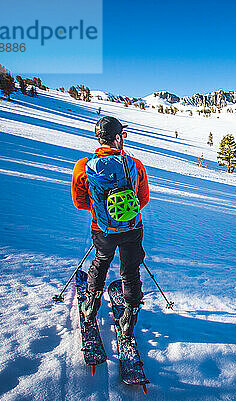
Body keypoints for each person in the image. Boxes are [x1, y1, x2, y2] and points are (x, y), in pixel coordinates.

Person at [71, 116, 149, 338]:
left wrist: (102, 212)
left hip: (103, 229)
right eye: (122, 135)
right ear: (117, 138)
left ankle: (90, 306)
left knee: (101, 262)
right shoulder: (134, 164)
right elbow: (142, 199)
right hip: (133, 228)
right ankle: (128, 319)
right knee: (131, 271)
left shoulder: (84, 167)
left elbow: (79, 202)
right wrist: (124, 212)